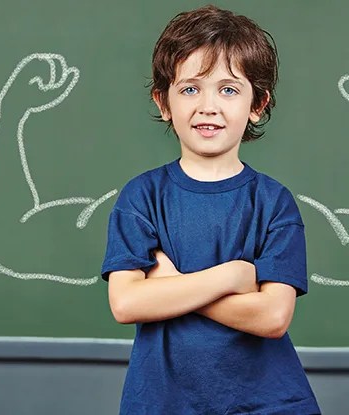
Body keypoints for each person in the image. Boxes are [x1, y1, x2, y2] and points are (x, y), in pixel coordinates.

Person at [101, 5, 322, 414]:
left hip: (267, 403)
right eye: (189, 89)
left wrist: (173, 284)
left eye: (228, 89)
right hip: (165, 403)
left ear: (258, 103)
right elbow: (127, 304)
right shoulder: (141, 198)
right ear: (163, 101)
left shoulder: (274, 203)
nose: (208, 105)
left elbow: (273, 316)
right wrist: (232, 275)